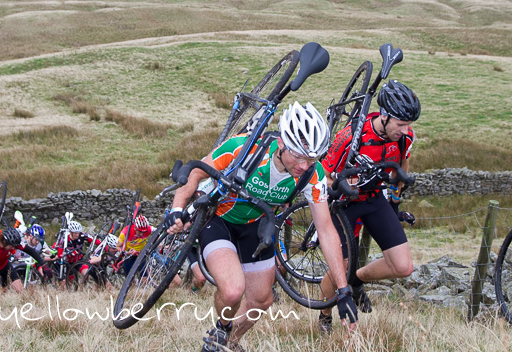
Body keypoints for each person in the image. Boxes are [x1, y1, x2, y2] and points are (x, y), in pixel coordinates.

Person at [167, 102, 358, 351]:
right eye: (298, 156)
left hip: (257, 225)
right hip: (220, 219)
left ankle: (228, 344)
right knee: (233, 291)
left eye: (311, 159)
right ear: (281, 143)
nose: (304, 166)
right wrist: (176, 209)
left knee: (261, 300)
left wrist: (343, 290)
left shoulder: (314, 175)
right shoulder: (244, 148)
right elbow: (195, 172)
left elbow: (325, 229)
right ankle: (221, 330)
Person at [318, 79, 420, 332]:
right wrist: (344, 185)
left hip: (373, 199)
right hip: (342, 204)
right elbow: (322, 176)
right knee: (340, 267)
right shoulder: (351, 136)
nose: (405, 130)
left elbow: (401, 167)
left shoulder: (404, 138)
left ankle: (356, 280)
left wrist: (395, 198)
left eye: (409, 125)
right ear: (384, 116)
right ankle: (325, 315)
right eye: (401, 124)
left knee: (403, 266)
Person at [0, 227, 46, 292]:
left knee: (20, 290)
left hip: (5, 267)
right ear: (5, 242)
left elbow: (31, 251)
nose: (13, 248)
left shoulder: (13, 243)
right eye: (12, 246)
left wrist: (43, 265)